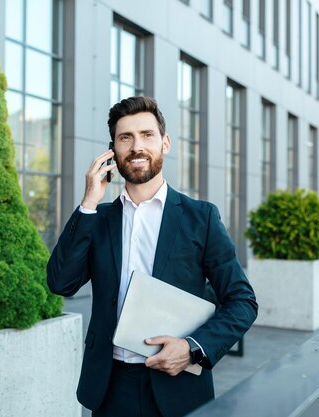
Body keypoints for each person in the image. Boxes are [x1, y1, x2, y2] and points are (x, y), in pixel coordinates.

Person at [47, 96, 258, 417]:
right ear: (112, 150)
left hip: (178, 384)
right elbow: (61, 283)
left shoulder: (201, 218)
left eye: (147, 135)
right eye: (125, 138)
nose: (136, 146)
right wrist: (88, 202)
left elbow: (242, 302)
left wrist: (191, 348)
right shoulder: (98, 218)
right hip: (110, 386)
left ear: (165, 143)